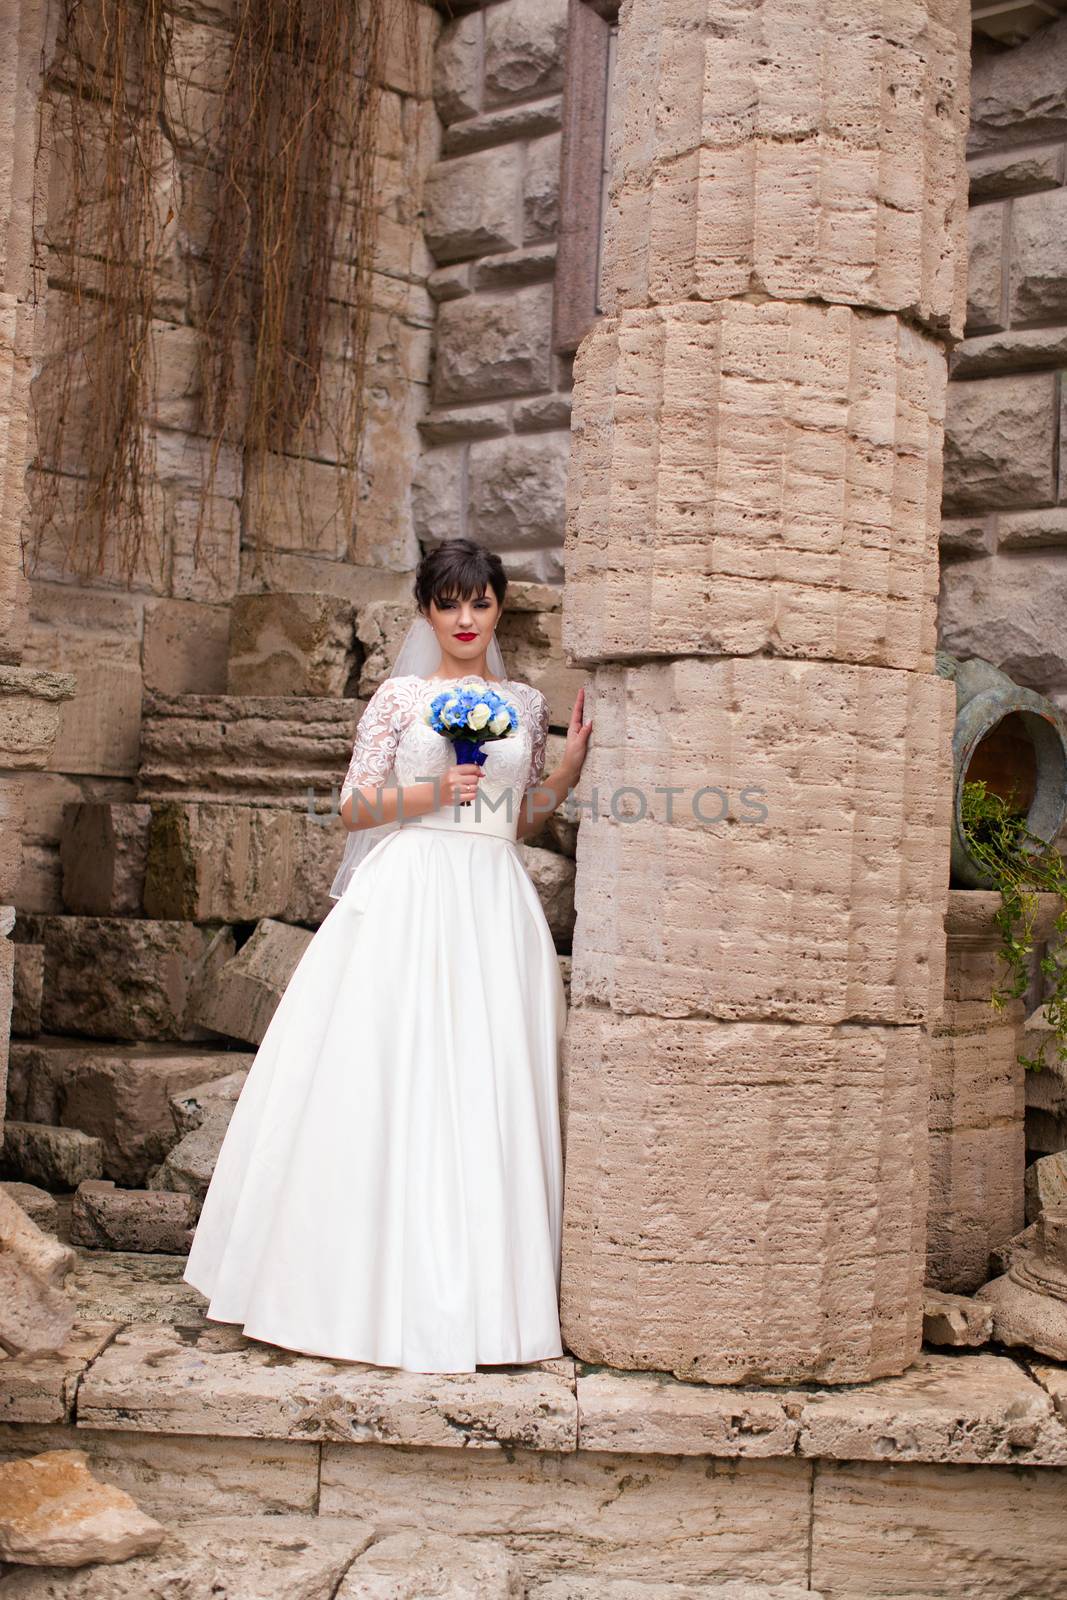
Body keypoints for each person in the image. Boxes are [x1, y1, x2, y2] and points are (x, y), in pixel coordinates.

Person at [183, 539, 593, 1372]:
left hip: (492, 900)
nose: (467, 619)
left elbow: (518, 821)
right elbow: (351, 806)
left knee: (486, 1078)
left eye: (481, 603)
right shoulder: (399, 698)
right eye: (450, 604)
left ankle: (487, 1300)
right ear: (427, 611)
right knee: (393, 1071)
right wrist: (432, 792)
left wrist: (572, 766)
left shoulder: (522, 699)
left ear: (499, 608)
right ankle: (353, 1293)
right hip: (409, 891)